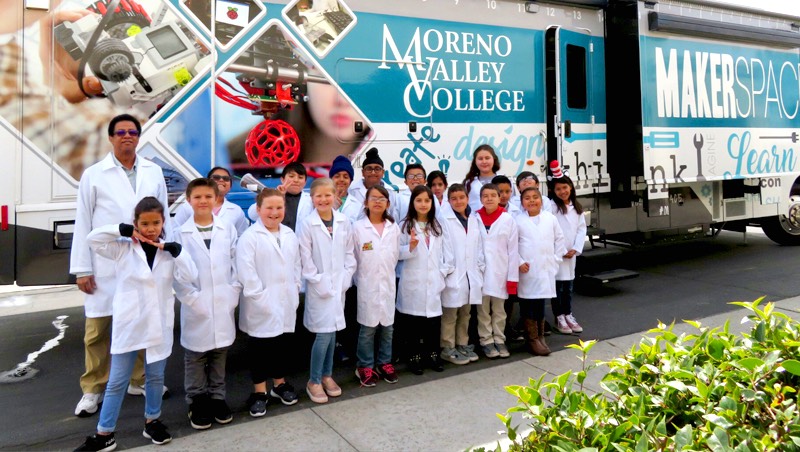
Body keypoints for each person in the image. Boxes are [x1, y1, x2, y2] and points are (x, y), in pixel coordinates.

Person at [74, 197, 197, 451]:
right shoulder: (122, 248)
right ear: (135, 224)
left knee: (154, 377)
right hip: (129, 324)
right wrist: (121, 230)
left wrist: (179, 253)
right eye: (144, 223)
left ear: (163, 222)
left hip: (157, 324)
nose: (151, 228)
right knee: (117, 380)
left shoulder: (169, 252)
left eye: (156, 222)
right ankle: (104, 433)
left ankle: (152, 421)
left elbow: (190, 276)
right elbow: (93, 239)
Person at [70, 114, 170, 418]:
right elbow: (83, 220)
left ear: (139, 137)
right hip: (105, 262)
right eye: (120, 132)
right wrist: (82, 268)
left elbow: (165, 217)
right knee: (97, 331)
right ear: (111, 138)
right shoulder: (94, 174)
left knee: (140, 321)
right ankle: (93, 388)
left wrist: (168, 257)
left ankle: (138, 380)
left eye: (132, 132)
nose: (127, 136)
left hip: (142, 263)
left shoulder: (153, 171)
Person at [172, 178, 241, 429]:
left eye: (207, 197)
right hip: (196, 305)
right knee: (196, 356)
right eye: (197, 197)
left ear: (216, 199)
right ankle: (196, 400)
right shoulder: (179, 234)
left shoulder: (227, 228)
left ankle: (217, 398)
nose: (203, 201)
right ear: (189, 201)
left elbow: (236, 263)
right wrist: (192, 299)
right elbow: (176, 273)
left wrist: (233, 292)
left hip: (223, 302)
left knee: (220, 353)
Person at [236, 188, 302, 417]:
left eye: (279, 208)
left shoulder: (289, 234)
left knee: (281, 346)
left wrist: (294, 288)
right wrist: (261, 298)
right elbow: (246, 272)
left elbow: (296, 265)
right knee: (260, 349)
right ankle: (260, 392)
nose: (274, 213)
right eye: (269, 208)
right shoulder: (249, 237)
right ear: (258, 209)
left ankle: (280, 385)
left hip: (285, 302)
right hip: (260, 304)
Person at [298, 178, 356, 403]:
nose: (323, 199)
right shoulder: (307, 224)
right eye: (318, 196)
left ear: (335, 197)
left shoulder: (343, 221)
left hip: (339, 285)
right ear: (312, 199)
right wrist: (319, 280)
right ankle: (313, 380)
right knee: (323, 335)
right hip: (319, 288)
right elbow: (305, 258)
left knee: (332, 335)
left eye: (327, 195)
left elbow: (350, 253)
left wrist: (346, 277)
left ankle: (327, 375)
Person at [397, 185, 454, 375]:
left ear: (432, 203)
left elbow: (448, 252)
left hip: (434, 281)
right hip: (413, 282)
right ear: (413, 202)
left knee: (433, 323)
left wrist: (442, 273)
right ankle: (414, 357)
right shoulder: (405, 226)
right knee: (414, 324)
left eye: (427, 200)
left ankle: (433, 355)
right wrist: (410, 247)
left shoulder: (437, 225)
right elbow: (396, 253)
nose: (423, 204)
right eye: (419, 200)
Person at [352, 185, 400, 386]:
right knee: (368, 329)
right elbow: (354, 257)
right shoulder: (358, 228)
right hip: (367, 285)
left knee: (388, 328)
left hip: (388, 284)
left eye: (382, 198)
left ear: (388, 204)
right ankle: (365, 366)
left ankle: (384, 363)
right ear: (366, 202)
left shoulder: (393, 227)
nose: (378, 201)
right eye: (374, 198)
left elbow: (395, 256)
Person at [470, 183, 519, 359]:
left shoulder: (508, 220)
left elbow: (513, 251)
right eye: (485, 196)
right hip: (480, 273)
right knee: (482, 310)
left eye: (493, 195)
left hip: (500, 272)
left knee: (499, 310)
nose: (489, 198)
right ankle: (486, 341)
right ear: (481, 199)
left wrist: (512, 278)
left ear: (500, 198)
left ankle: (499, 339)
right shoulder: (474, 218)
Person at [515, 187, 565, 356]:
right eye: (527, 198)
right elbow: (511, 245)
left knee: (540, 304)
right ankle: (532, 338)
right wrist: (519, 262)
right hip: (527, 271)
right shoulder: (518, 221)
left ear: (541, 200)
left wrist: (556, 260)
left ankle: (540, 336)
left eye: (535, 197)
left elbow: (559, 240)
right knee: (527, 304)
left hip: (545, 268)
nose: (531, 201)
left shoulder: (549, 218)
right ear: (522, 202)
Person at [438, 184, 484, 365]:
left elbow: (479, 245)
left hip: (470, 274)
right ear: (449, 201)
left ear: (467, 198)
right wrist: (447, 270)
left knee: (466, 313)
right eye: (454, 198)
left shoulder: (474, 219)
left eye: (461, 198)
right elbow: (445, 248)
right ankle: (448, 347)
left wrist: (480, 266)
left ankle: (462, 343)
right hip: (453, 274)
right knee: (450, 315)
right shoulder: (445, 219)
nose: (458, 201)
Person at [548, 163, 587, 335]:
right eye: (558, 189)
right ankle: (559, 316)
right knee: (558, 286)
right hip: (558, 254)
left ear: (570, 187)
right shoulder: (552, 207)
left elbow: (581, 229)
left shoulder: (576, 208)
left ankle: (568, 313)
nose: (562, 191)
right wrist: (561, 249)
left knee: (569, 286)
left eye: (565, 187)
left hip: (571, 255)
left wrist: (576, 248)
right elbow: (551, 229)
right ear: (553, 191)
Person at [172, 167, 249, 238]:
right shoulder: (189, 206)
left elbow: (242, 237)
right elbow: (175, 232)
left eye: (226, 178)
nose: (221, 180)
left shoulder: (236, 210)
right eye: (216, 177)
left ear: (230, 186)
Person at [246, 162, 313, 232]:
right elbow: (252, 215)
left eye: (300, 177)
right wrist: (275, 195)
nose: (296, 180)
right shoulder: (272, 195)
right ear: (282, 179)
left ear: (305, 182)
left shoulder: (310, 200)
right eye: (291, 176)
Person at [346, 148, 397, 222]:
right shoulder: (352, 191)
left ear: (383, 172)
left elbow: (393, 217)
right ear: (363, 172)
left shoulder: (390, 192)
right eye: (369, 169)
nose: (373, 172)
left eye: (377, 169)